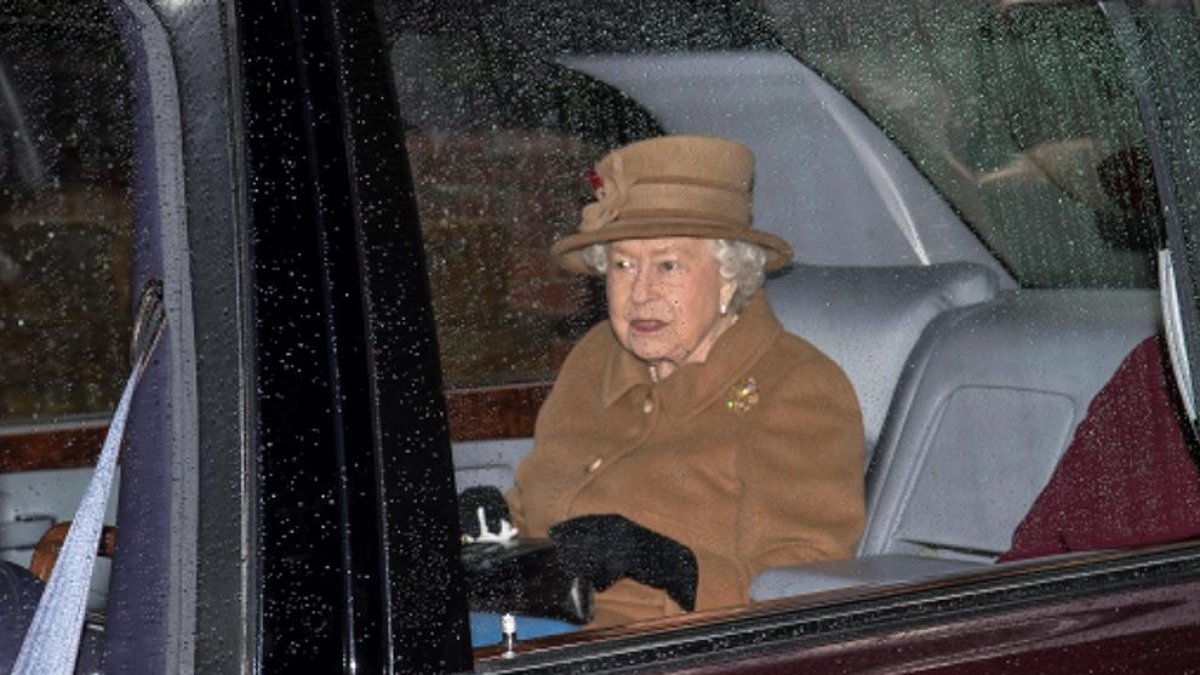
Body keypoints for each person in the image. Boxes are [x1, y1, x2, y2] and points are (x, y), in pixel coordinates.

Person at [461, 135, 866, 628]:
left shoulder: (799, 387)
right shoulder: (595, 357)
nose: (641, 292)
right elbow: (540, 510)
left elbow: (807, 584)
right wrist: (493, 527)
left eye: (668, 265)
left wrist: (672, 565)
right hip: (530, 630)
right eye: (623, 265)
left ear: (730, 275)